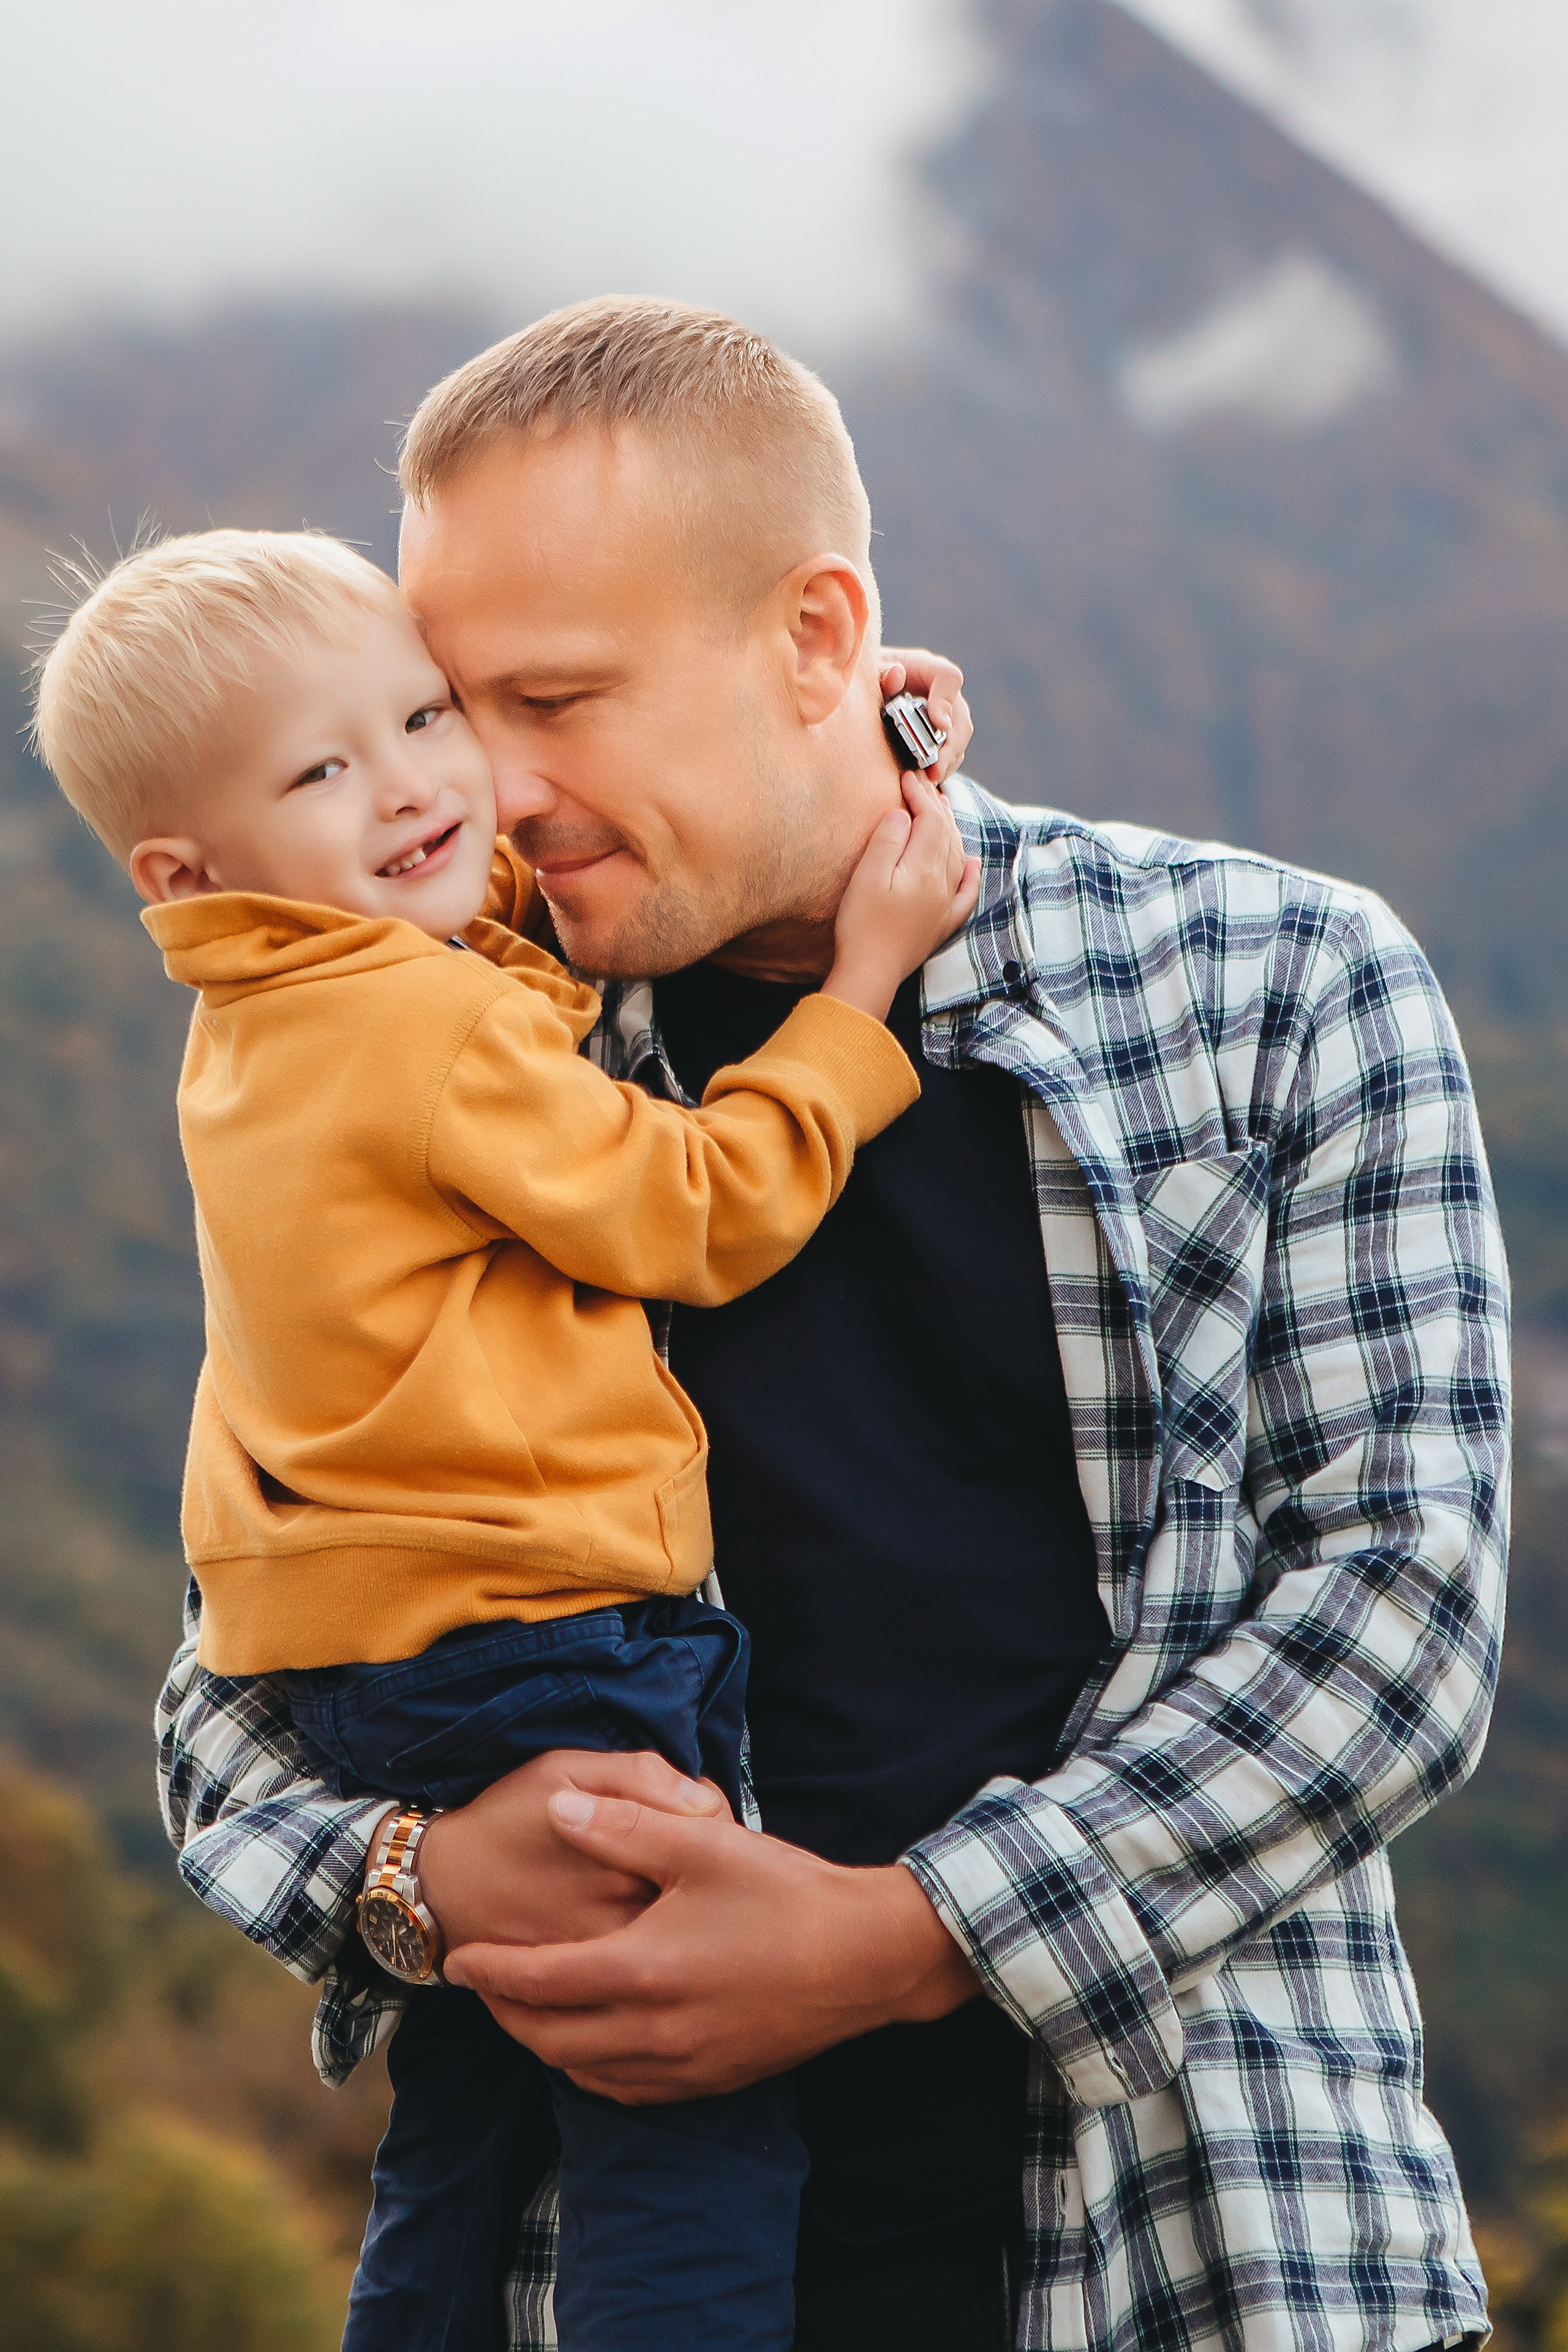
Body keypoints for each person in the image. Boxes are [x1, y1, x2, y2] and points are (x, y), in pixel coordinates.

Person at [154, 300, 1509, 2352]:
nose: (491, 793)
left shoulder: (1276, 980)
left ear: (818, 638)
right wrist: (420, 1876)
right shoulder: (447, 1056)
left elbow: (1399, 1615)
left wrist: (906, 1939)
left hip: (1208, 2245)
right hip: (621, 2277)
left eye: (558, 700)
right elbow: (235, 1678)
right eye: (448, 711)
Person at [31, 522, 979, 2352]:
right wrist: (859, 991)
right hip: (553, 1643)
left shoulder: (263, 1019)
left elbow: (481, 963)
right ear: (188, 865)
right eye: (326, 768)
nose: (413, 788)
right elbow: (698, 1206)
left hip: (370, 1674)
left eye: (425, 716)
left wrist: (843, 732)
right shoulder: (425, 1031)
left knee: (467, 2124)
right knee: (678, 2116)